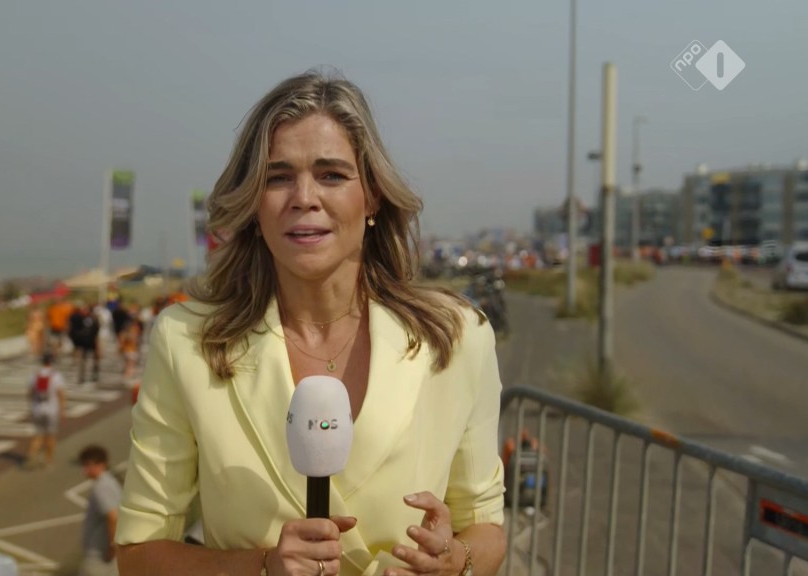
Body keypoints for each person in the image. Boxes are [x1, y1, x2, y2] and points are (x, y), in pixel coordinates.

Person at [115, 70, 506, 576]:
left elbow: (487, 528)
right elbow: (139, 553)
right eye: (278, 177)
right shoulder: (186, 342)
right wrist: (262, 567)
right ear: (253, 205)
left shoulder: (457, 338)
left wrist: (456, 560)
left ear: (372, 196)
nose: (304, 197)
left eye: (331, 175)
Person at [79, 445, 122, 576]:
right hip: (104, 555)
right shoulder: (110, 481)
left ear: (101, 464)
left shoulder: (102, 487)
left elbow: (113, 516)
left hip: (99, 556)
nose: (84, 470)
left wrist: (113, 547)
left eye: (88, 465)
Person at [25, 352, 66, 469]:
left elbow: (29, 393)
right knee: (51, 437)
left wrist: (31, 406)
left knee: (38, 435)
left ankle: (32, 455)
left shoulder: (34, 375)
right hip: (51, 410)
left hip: (37, 409)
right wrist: (62, 410)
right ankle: (48, 461)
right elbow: (61, 393)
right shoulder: (56, 376)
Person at [69, 302, 101, 384]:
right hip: (84, 342)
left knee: (94, 359)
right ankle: (82, 376)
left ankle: (94, 374)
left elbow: (96, 331)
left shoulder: (93, 319)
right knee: (83, 360)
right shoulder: (81, 319)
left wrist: (97, 342)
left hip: (91, 341)